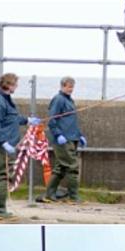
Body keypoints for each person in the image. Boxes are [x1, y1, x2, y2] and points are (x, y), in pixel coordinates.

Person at [0, 73, 40, 221]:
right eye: (15, 84)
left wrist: (27, 120)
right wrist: (4, 142)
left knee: (2, 175)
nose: (17, 86)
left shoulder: (4, 100)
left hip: (6, 143)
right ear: (9, 85)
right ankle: (0, 210)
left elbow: (11, 119)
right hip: (1, 145)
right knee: (3, 175)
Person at [45, 76, 88, 205]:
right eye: (69, 87)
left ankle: (49, 194)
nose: (71, 89)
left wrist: (79, 135)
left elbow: (72, 121)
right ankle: (73, 197)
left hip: (72, 137)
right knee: (72, 166)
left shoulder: (70, 101)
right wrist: (58, 135)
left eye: (72, 87)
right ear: (63, 86)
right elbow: (52, 120)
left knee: (61, 167)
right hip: (63, 139)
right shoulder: (58, 100)